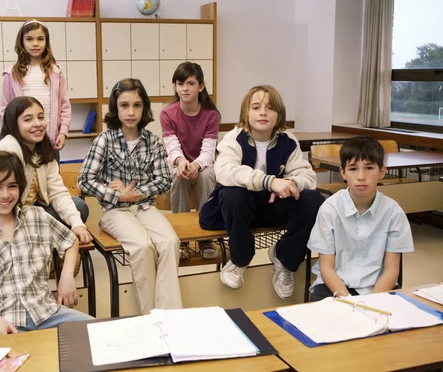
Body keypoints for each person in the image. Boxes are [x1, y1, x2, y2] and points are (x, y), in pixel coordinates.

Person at [0, 151, 93, 338]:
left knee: (100, 335)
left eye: (12, 186)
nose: (5, 195)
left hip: (47, 314)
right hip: (1, 322)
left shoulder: (37, 216)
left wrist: (67, 276)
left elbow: (70, 242)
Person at [202, 85, 324, 299]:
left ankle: (284, 259)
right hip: (241, 207)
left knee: (314, 200)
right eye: (256, 107)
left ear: (279, 114)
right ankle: (240, 258)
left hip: (273, 205)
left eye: (270, 107)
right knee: (231, 193)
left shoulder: (288, 140)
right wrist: (269, 182)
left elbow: (308, 177)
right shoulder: (234, 138)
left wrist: (289, 183)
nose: (263, 112)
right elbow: (224, 171)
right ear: (246, 113)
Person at [78, 78, 182, 314]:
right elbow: (84, 180)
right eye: (124, 105)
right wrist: (117, 196)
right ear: (116, 108)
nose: (131, 112)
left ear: (144, 107)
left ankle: (169, 316)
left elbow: (164, 179)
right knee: (143, 247)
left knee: (169, 243)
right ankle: (150, 315)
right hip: (115, 211)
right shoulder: (104, 141)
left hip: (145, 207)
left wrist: (137, 193)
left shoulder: (153, 141)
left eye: (137, 105)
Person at [307, 136, 413, 301]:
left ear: (382, 172)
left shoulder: (393, 213)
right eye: (353, 169)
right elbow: (326, 268)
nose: (361, 176)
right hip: (333, 286)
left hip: (378, 287)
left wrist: (371, 302)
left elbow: (391, 270)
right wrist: (349, 302)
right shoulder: (330, 210)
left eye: (369, 168)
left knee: (396, 322)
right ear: (343, 172)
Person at [0, 96, 91, 244]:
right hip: (9, 214)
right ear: (14, 124)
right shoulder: (8, 148)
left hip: (34, 211)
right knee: (54, 215)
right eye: (28, 119)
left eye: (40, 117)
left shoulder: (43, 149)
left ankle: (39, 234)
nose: (37, 124)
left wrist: (77, 224)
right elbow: (2, 198)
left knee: (79, 207)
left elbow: (57, 192)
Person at [160, 62, 220, 259]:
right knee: (178, 177)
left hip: (202, 163)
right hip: (179, 162)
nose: (184, 88)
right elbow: (172, 146)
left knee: (205, 176)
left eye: (190, 83)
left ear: (201, 86)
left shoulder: (211, 115)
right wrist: (181, 162)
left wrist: (195, 164)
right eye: (180, 83)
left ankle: (205, 237)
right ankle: (182, 238)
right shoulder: (167, 114)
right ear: (175, 86)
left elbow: (209, 151)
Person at [0, 20, 71, 154]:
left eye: (40, 39)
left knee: (51, 174)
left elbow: (65, 106)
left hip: (50, 142)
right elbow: (5, 110)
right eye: (29, 39)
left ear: (46, 42)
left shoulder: (56, 73)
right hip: (22, 142)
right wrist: (13, 135)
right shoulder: (11, 74)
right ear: (21, 42)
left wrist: (63, 132)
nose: (35, 44)